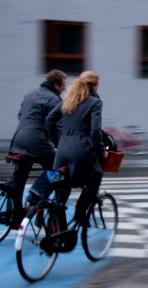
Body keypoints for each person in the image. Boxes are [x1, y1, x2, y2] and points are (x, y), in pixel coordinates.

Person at [46, 71, 106, 227]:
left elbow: (49, 121)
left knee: (61, 190)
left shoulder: (68, 100)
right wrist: (101, 154)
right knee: (96, 176)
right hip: (81, 151)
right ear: (93, 85)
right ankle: (80, 211)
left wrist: (58, 142)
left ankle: (59, 232)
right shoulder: (94, 102)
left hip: (62, 151)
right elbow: (95, 132)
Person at [8, 69, 67, 225]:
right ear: (57, 84)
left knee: (19, 178)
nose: (64, 89)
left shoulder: (30, 94)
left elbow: (21, 116)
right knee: (58, 166)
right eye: (63, 86)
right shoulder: (55, 100)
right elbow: (57, 126)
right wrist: (61, 145)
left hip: (18, 139)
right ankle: (37, 191)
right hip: (37, 141)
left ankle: (13, 215)